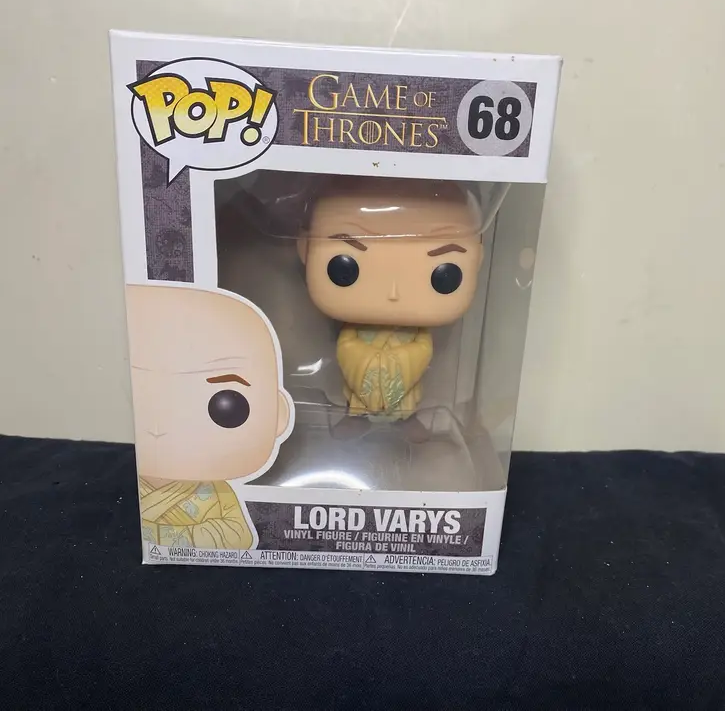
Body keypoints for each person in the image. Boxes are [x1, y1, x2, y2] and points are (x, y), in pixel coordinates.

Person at [298, 177, 483, 441]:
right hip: (364, 377)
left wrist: (397, 361)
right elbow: (346, 346)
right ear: (305, 250)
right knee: (357, 398)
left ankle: (406, 420)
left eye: (444, 274)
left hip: (403, 380)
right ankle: (356, 417)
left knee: (406, 401)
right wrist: (370, 360)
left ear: (477, 259)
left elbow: (423, 348)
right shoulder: (354, 329)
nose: (393, 293)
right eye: (344, 267)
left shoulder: (415, 332)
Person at [126, 283, 293, 548]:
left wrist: (166, 537)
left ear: (279, 415)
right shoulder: (131, 486)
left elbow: (238, 534)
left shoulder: (217, 493)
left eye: (226, 405)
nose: (160, 426)